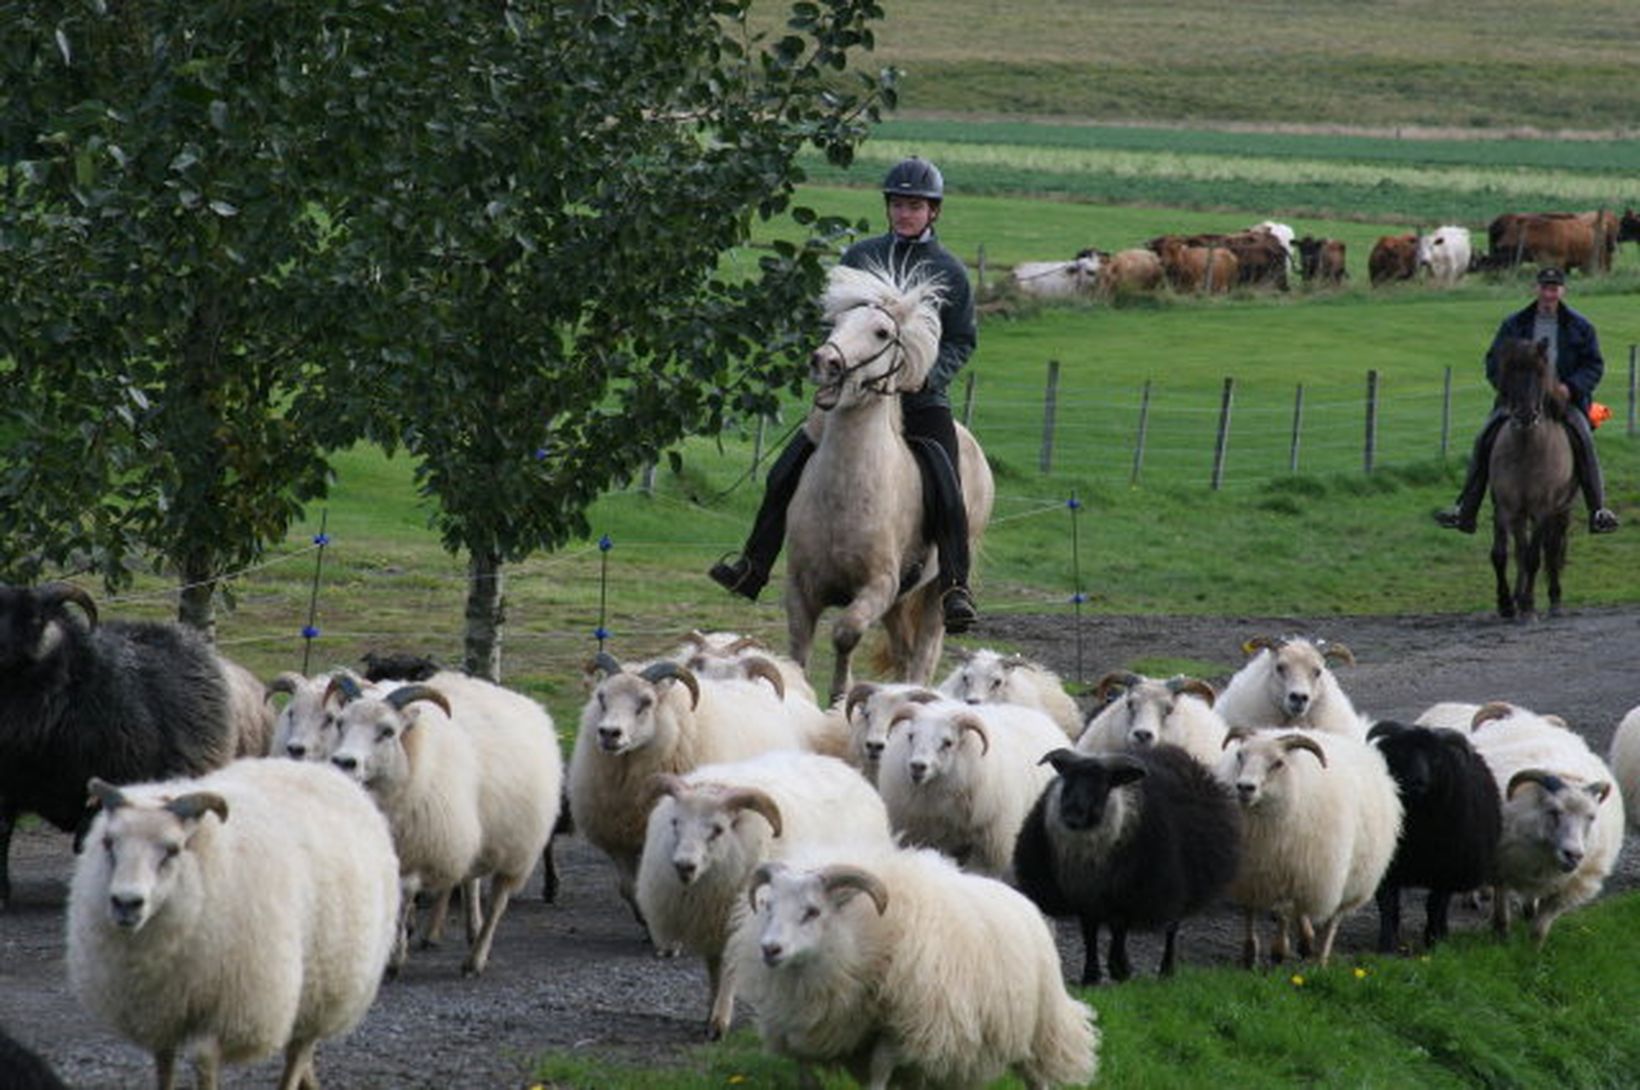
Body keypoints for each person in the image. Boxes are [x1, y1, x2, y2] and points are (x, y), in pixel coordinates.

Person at [709, 156, 981, 632]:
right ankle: (752, 566)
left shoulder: (949, 272)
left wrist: (927, 376)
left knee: (946, 477)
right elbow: (835, 320)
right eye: (898, 204)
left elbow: (962, 340)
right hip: (853, 393)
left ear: (932, 211)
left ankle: (956, 584)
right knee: (785, 467)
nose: (905, 213)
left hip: (917, 396)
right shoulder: (860, 257)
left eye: (915, 205)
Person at [1434, 266, 1619, 535]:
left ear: (1562, 291)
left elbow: (1594, 365)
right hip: (1519, 399)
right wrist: (1509, 390)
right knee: (1484, 438)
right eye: (1545, 287)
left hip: (1562, 399)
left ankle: (1598, 510)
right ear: (1537, 289)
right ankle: (1465, 510)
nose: (1549, 294)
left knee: (1583, 439)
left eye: (1554, 288)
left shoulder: (1580, 327)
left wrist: (1572, 388)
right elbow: (1493, 362)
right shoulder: (1515, 324)